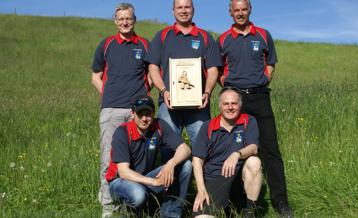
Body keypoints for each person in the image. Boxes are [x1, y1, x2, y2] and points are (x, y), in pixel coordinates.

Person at [217, 0, 293, 217]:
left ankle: (281, 203)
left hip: (260, 98)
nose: (240, 13)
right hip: (235, 100)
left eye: (244, 9)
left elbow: (270, 63)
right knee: (232, 148)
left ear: (250, 10)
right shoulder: (223, 39)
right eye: (236, 10)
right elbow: (217, 68)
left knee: (270, 150)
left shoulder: (263, 35)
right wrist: (228, 85)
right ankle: (237, 203)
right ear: (230, 12)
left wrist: (264, 79)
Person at [90, 3, 150, 217]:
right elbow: (95, 76)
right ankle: (108, 206)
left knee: (136, 158)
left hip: (138, 112)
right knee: (109, 158)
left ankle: (131, 202)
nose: (125, 22)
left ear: (135, 20)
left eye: (129, 18)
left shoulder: (144, 45)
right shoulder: (106, 45)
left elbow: (151, 74)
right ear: (115, 22)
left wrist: (143, 95)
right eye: (121, 19)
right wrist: (107, 94)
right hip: (111, 110)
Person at [144, 0, 223, 149]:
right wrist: (163, 91)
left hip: (198, 105)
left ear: (193, 10)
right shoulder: (162, 36)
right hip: (168, 104)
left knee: (203, 147)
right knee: (167, 148)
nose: (184, 10)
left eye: (187, 7)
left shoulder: (205, 37)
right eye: (179, 7)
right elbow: (153, 67)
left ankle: (201, 173)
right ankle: (173, 173)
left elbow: (213, 70)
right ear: (173, 11)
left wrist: (207, 92)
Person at [106, 96, 192, 217]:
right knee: (138, 194)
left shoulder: (159, 125)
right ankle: (128, 211)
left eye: (148, 114)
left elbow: (185, 149)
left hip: (145, 178)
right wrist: (154, 182)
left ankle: (170, 214)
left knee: (186, 165)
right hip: (120, 181)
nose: (144, 119)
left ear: (154, 113)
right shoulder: (123, 132)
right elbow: (124, 172)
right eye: (140, 114)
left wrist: (171, 163)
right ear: (133, 114)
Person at [192, 87, 262, 217]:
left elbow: (254, 147)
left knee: (254, 162)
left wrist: (237, 154)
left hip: (239, 179)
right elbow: (197, 160)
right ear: (220, 106)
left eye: (234, 103)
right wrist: (201, 189)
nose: (230, 107)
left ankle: (250, 212)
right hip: (215, 179)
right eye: (226, 104)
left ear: (240, 105)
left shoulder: (248, 121)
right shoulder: (208, 126)